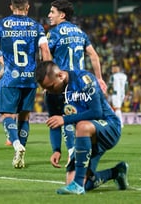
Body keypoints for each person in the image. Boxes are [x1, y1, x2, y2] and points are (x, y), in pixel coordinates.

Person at [35, 60, 128, 195]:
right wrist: (56, 150)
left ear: (60, 75)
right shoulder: (51, 94)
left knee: (82, 125)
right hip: (88, 138)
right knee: (73, 181)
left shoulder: (84, 80)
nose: (49, 91)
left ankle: (78, 186)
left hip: (109, 127)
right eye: (46, 88)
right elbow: (54, 123)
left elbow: (96, 112)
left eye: (51, 86)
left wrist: (65, 119)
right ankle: (116, 172)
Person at [0, 0, 50, 168]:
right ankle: (20, 153)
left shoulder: (2, 25)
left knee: (7, 115)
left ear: (11, 7)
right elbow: (45, 50)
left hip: (10, 78)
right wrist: (47, 76)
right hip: (30, 78)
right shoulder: (36, 26)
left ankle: (16, 144)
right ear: (27, 8)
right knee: (24, 117)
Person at [46, 0, 107, 182]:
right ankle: (80, 153)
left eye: (52, 12)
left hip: (62, 82)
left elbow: (46, 56)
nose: (49, 15)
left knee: (61, 118)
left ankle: (72, 152)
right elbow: (93, 56)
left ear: (62, 15)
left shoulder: (54, 33)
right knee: (77, 119)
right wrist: (99, 78)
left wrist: (48, 79)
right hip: (81, 82)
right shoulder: (80, 32)